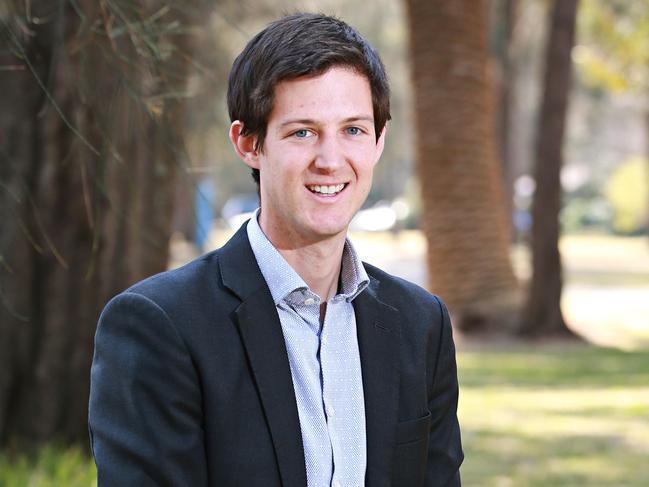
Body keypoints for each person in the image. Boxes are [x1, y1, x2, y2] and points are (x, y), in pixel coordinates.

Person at [89, 12, 463, 487]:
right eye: (302, 131)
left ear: (378, 141)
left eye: (353, 130)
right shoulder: (160, 326)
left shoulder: (420, 323)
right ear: (248, 143)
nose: (330, 161)